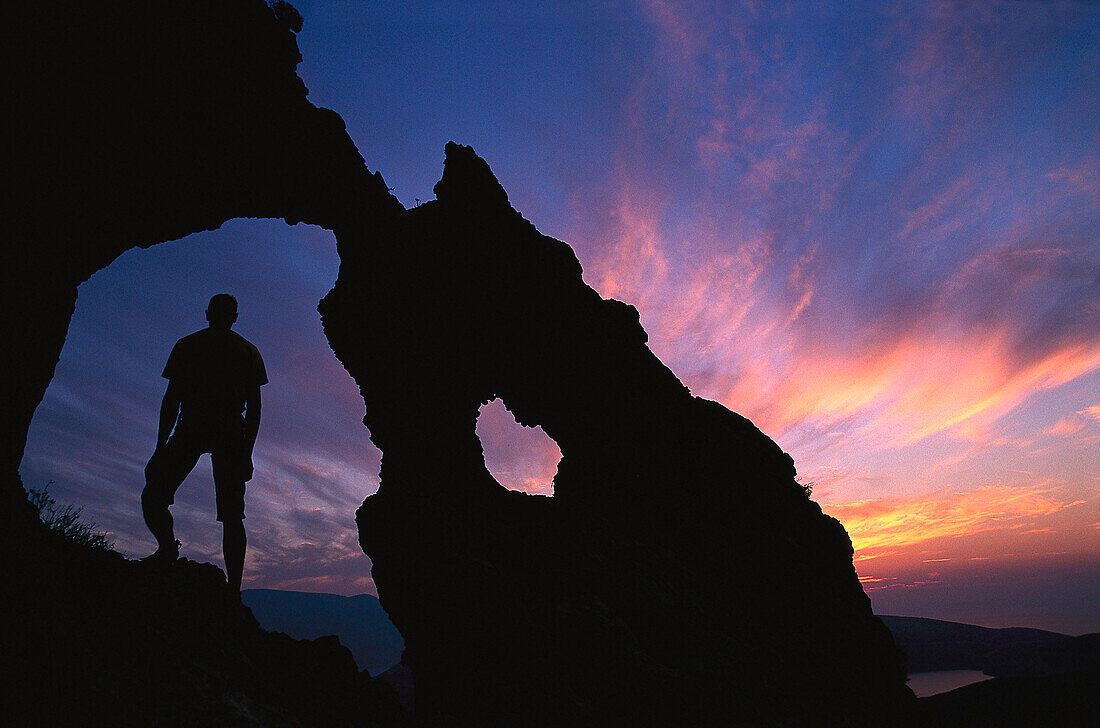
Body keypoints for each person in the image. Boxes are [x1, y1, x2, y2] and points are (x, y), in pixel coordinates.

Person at [140, 294, 267, 593]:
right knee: (233, 515)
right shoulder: (248, 351)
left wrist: (160, 446)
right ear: (235, 317)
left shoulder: (188, 345)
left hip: (193, 426)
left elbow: (171, 399)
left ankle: (167, 548)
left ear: (207, 313)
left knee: (154, 493)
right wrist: (247, 452)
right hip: (229, 432)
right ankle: (233, 588)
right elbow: (256, 409)